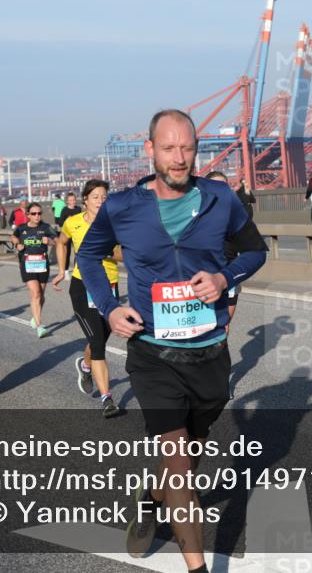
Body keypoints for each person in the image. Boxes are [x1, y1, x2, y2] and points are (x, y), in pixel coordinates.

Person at [77, 109, 267, 570]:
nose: (179, 159)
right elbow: (88, 256)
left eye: (187, 148)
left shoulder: (221, 198)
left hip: (210, 352)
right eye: (169, 148)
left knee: (188, 458)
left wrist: (224, 278)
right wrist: (109, 307)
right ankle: (197, 567)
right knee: (179, 463)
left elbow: (256, 250)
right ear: (150, 150)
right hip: (152, 353)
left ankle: (152, 497)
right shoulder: (122, 206)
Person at [52, 180, 123, 417]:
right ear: (85, 200)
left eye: (104, 197)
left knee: (100, 337)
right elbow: (61, 243)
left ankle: (85, 366)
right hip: (83, 286)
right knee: (98, 343)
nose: (100, 201)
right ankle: (107, 399)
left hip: (109, 286)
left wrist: (110, 252)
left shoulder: (115, 225)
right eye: (95, 197)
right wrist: (61, 270)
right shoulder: (73, 223)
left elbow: (125, 253)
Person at [11, 201, 58, 337]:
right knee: (36, 292)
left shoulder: (46, 227)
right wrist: (17, 244)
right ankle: (39, 325)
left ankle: (35, 316)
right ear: (28, 215)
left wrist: (49, 242)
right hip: (27, 264)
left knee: (41, 295)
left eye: (39, 213)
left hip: (42, 264)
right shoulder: (21, 228)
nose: (37, 216)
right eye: (34, 214)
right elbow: (13, 236)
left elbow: (58, 240)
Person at [206, 171, 242, 328]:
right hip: (203, 278)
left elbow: (254, 251)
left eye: (223, 186)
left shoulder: (237, 215)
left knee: (223, 329)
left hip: (229, 276)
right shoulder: (195, 215)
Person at [57, 191, 82, 274]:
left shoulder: (78, 209)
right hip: (67, 234)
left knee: (78, 252)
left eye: (74, 200)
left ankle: (76, 270)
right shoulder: (64, 210)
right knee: (67, 253)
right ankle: (66, 270)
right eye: (70, 200)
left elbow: (81, 220)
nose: (72, 202)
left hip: (76, 233)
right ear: (67, 201)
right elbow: (60, 223)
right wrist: (68, 220)